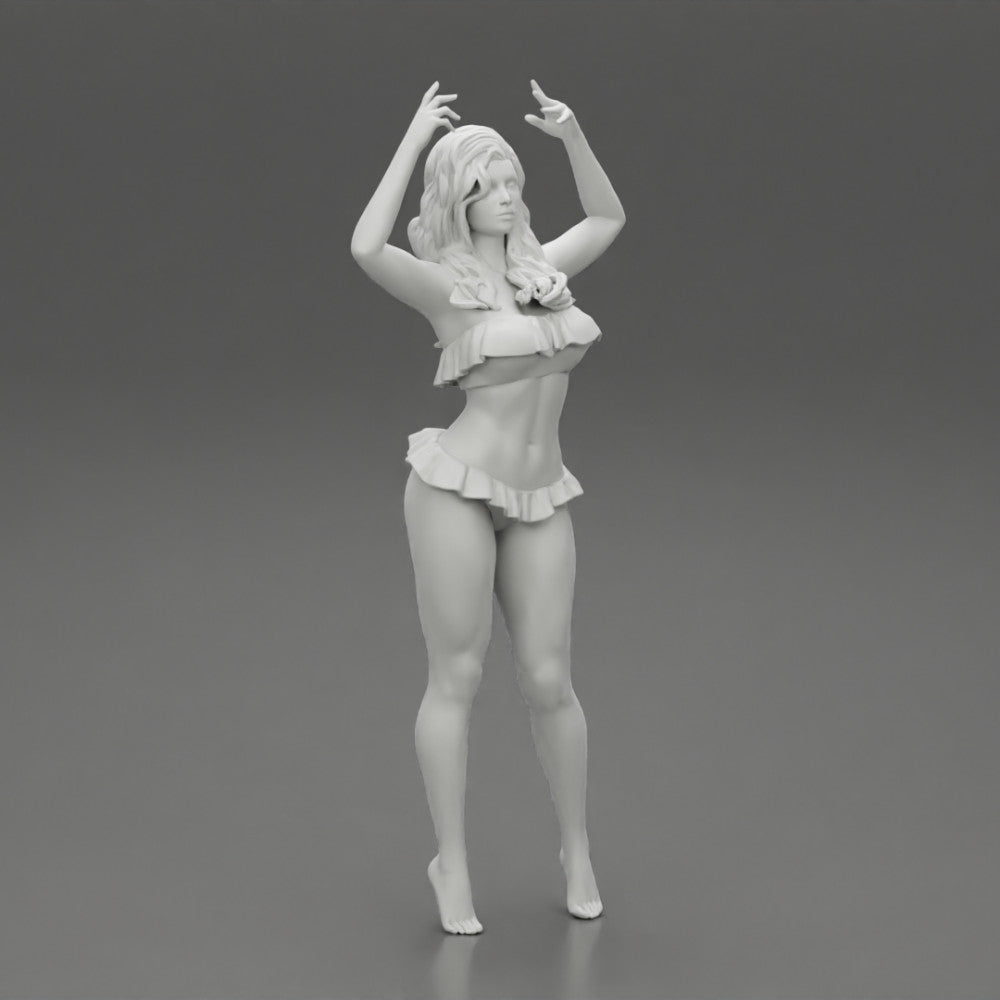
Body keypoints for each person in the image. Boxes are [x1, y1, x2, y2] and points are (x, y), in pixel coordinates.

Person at [351, 79, 625, 935]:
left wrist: (573, 138)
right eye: (486, 185)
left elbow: (608, 218)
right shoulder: (445, 285)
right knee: (458, 677)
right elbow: (365, 246)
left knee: (550, 679)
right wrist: (411, 139)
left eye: (511, 181)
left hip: (542, 492)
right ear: (457, 197)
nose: (505, 196)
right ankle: (452, 862)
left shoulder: (543, 269)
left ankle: (576, 849)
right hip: (456, 490)